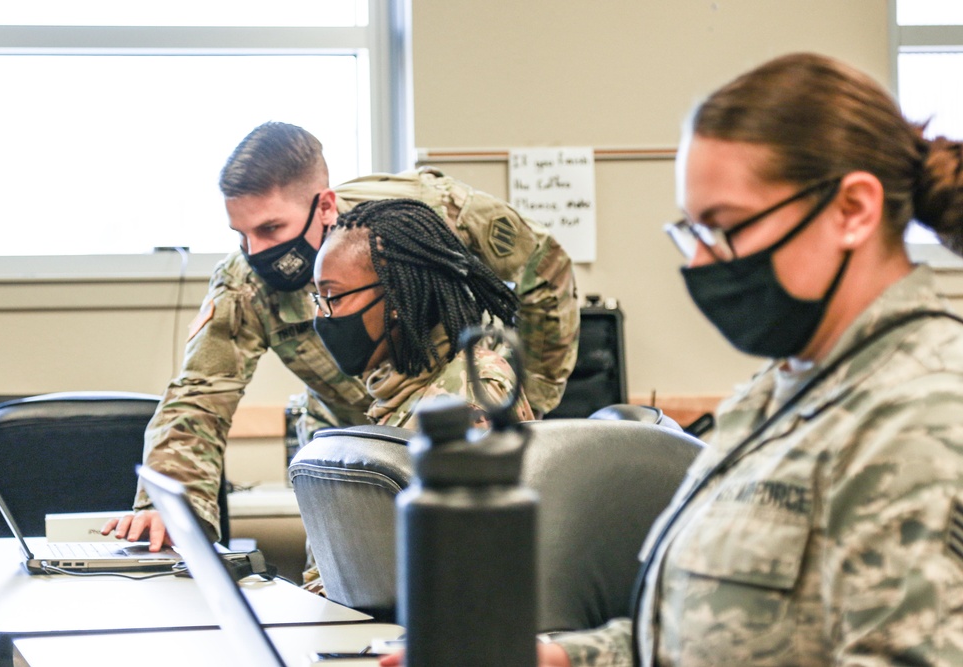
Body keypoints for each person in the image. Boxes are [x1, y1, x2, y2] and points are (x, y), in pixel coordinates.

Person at [387, 51, 963, 667]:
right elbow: (700, 636)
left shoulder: (923, 413)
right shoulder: (784, 391)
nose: (699, 262)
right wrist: (554, 660)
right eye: (692, 230)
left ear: (852, 210)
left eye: (724, 226)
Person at [103, 122, 578, 547]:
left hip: (445, 414)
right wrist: (170, 505)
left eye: (271, 228)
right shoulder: (245, 281)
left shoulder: (427, 216)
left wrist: (530, 396)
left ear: (325, 205)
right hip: (342, 423)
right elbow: (200, 395)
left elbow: (545, 267)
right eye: (241, 233)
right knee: (339, 570)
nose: (257, 251)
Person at [313, 197, 535, 428]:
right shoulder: (399, 383)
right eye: (318, 297)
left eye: (334, 298)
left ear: (396, 295)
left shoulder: (470, 397)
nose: (320, 314)